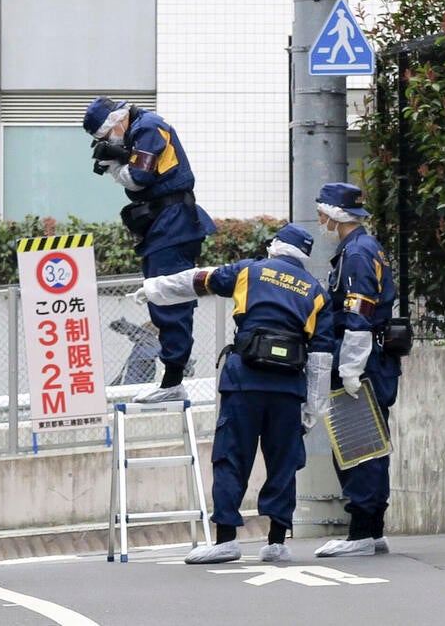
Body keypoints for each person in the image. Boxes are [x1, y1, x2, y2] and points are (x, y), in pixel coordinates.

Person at [129, 224, 335, 564]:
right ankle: (276, 541)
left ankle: (226, 539)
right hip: (287, 389)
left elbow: (198, 280)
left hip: (245, 382)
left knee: (231, 458)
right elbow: (320, 356)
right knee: (283, 462)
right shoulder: (316, 292)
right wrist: (313, 408)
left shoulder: (250, 271)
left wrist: (153, 289)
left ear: (275, 248)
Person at [84, 95, 217, 403]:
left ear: (116, 121)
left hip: (173, 224)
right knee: (162, 297)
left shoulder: (149, 127)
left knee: (170, 297)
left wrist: (116, 163)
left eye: (106, 136)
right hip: (165, 225)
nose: (108, 141)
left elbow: (138, 176)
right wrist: (119, 158)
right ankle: (172, 378)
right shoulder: (139, 129)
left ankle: (173, 380)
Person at [313, 182, 403, 558]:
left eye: (322, 213)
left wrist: (350, 368)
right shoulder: (365, 248)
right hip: (375, 359)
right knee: (369, 445)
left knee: (357, 445)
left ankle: (362, 533)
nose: (320, 220)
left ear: (335, 215)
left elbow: (358, 315)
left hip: (363, 361)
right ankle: (371, 530)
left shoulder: (357, 254)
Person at [108, 318, 161, 386]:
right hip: (137, 383)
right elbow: (158, 349)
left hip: (134, 381)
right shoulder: (145, 347)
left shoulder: (140, 346)